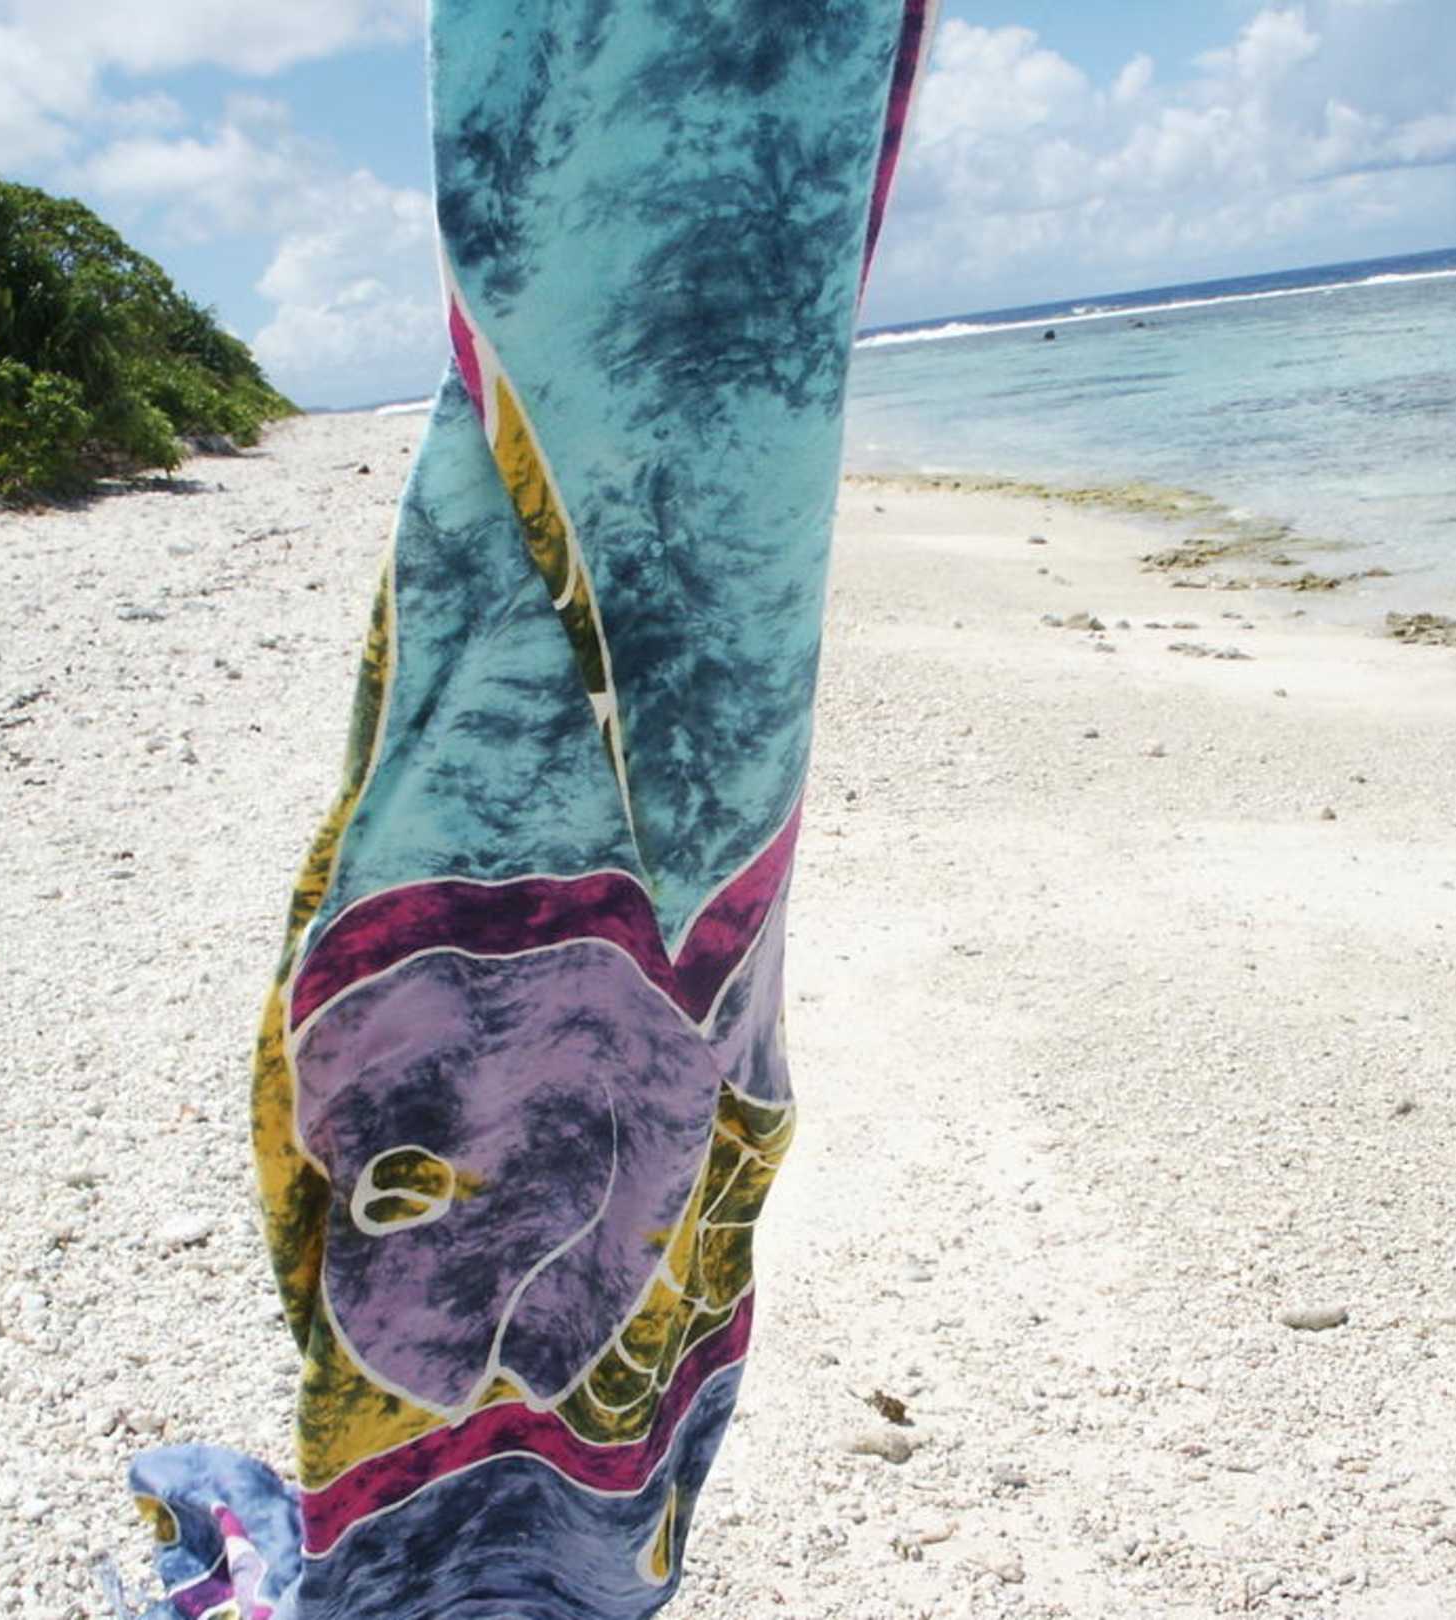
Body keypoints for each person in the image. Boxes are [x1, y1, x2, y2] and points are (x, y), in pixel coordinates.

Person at [115, 3, 937, 1614]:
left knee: (658, 1053)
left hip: (732, 520)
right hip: (665, 481)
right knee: (529, 1061)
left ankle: (551, 1541)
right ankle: (507, 1542)